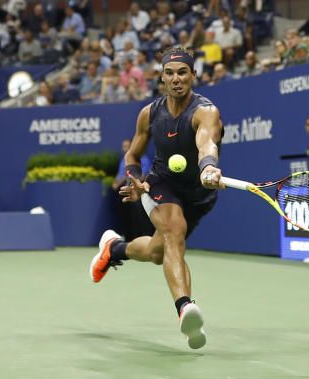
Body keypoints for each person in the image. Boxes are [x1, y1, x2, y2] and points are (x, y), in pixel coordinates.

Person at [90, 47, 224, 350]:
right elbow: (133, 154)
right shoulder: (149, 114)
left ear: (193, 75)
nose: (176, 79)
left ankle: (114, 249)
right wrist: (136, 177)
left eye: (182, 72)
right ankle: (185, 308)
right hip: (162, 183)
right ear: (161, 77)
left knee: (156, 252)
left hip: (200, 193)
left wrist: (209, 167)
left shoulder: (206, 112)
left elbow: (207, 144)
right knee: (174, 233)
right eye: (170, 73)